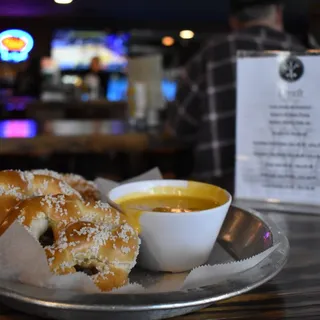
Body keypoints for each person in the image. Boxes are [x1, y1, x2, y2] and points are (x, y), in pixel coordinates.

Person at [168, 0, 304, 193]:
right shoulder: (302, 53)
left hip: (216, 194)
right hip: (292, 189)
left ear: (233, 20)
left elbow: (179, 128)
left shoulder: (212, 52)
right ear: (278, 14)